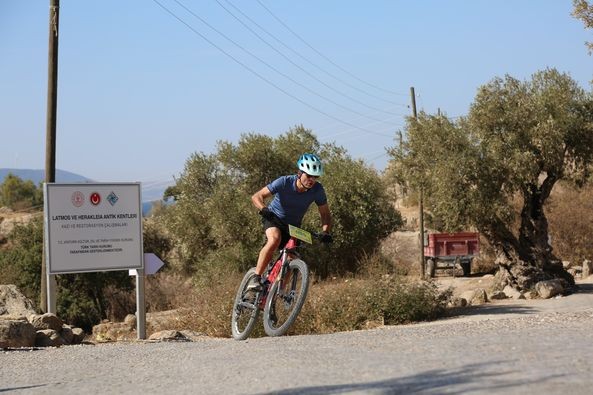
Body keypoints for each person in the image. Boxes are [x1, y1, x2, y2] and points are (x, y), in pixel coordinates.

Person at [248, 153, 333, 291]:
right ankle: (256, 278)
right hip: (274, 219)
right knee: (275, 239)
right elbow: (257, 196)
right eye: (308, 175)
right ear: (299, 173)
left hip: (293, 227)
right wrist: (264, 209)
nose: (312, 180)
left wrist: (325, 231)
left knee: (292, 259)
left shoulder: (318, 190)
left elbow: (325, 214)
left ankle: (275, 293)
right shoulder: (284, 182)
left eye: (315, 176)